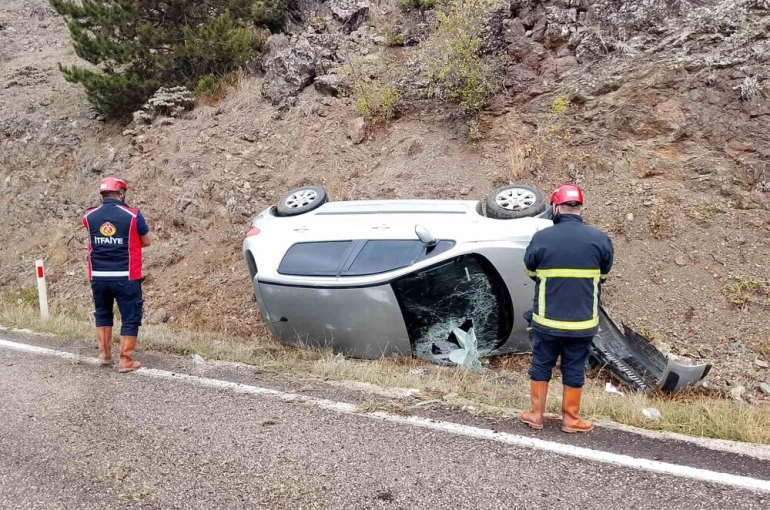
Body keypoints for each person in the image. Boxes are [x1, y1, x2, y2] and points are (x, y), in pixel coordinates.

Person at [520, 184, 613, 433]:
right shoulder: (600, 239)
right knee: (574, 367)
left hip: (547, 321)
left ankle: (536, 415)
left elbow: (530, 271)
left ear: (555, 207)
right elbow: (603, 275)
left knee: (541, 364)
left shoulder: (542, 238)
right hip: (582, 323)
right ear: (580, 208)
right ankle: (571, 419)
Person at [82, 177, 151, 373]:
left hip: (98, 276)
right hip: (126, 276)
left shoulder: (89, 216)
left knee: (102, 313)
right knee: (130, 317)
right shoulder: (133, 216)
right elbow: (146, 241)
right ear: (121, 193)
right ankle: (125, 360)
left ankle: (104, 356)